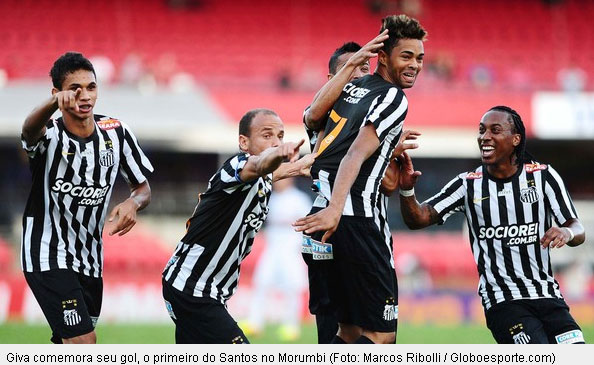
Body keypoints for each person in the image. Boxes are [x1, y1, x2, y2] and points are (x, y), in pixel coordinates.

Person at [398, 105, 586, 344]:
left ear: (515, 139)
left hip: (549, 297)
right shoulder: (467, 184)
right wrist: (406, 190)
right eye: (481, 131)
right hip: (504, 302)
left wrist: (567, 232)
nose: (485, 137)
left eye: (495, 130)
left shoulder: (543, 176)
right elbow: (418, 218)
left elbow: (577, 228)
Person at [294, 14, 427, 344]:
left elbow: (311, 117)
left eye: (420, 58)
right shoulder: (394, 97)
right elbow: (354, 153)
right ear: (382, 57)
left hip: (321, 220)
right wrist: (337, 210)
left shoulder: (353, 86)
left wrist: (350, 64)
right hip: (357, 222)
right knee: (382, 336)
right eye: (406, 56)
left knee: (347, 332)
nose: (415, 65)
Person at [21, 52, 153, 344]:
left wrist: (133, 202)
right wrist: (53, 105)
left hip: (90, 259)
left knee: (67, 344)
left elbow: (143, 188)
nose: (85, 95)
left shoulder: (116, 133)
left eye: (91, 87)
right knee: (83, 342)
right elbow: (29, 130)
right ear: (57, 93)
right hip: (47, 253)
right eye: (74, 89)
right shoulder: (49, 135)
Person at [162, 108, 315, 344]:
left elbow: (270, 173)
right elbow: (259, 165)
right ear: (244, 142)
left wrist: (300, 164)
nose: (275, 141)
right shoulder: (237, 165)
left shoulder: (262, 179)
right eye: (266, 135)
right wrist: (279, 154)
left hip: (204, 288)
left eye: (280, 136)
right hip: (192, 288)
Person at [244, 178, 311, 341]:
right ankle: (255, 323)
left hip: (290, 249)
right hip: (272, 248)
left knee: (292, 288)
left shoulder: (299, 199)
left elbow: (309, 223)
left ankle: (291, 326)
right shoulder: (271, 199)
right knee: (261, 282)